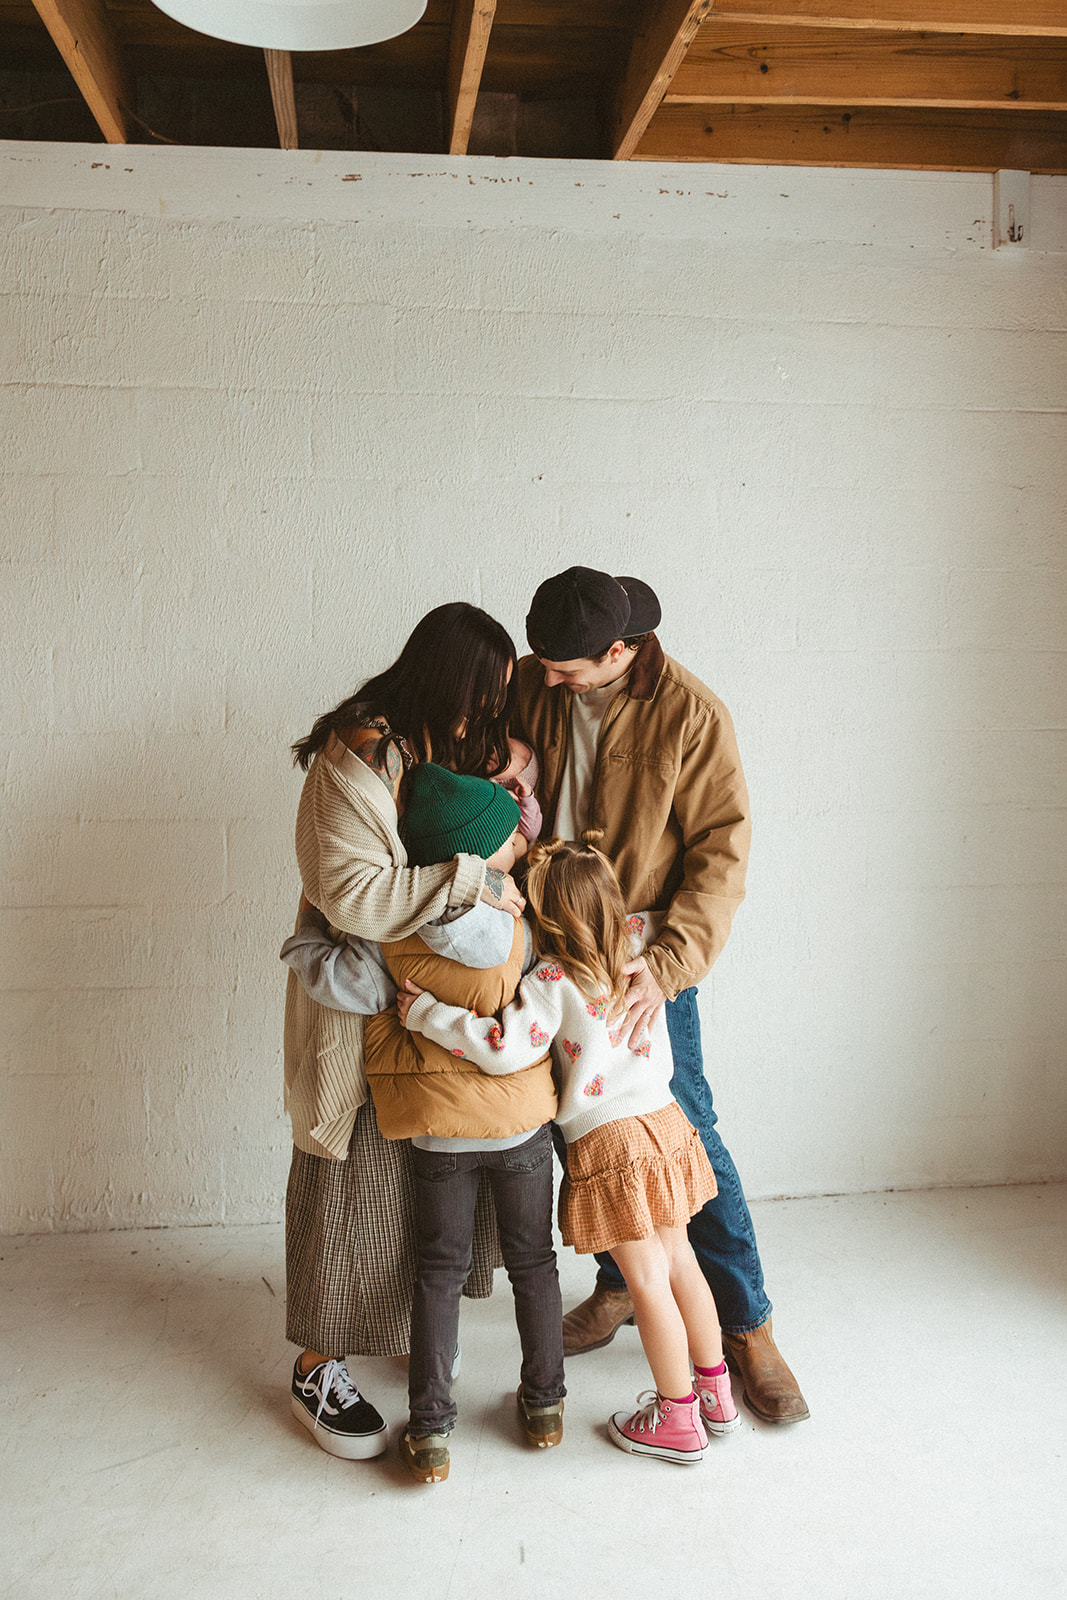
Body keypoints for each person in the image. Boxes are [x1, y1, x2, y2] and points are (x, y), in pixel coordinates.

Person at [514, 566, 809, 1425]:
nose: (549, 681)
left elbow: (722, 851)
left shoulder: (692, 712)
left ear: (617, 651)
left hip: (642, 961)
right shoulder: (542, 676)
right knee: (587, 1125)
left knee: (685, 1130)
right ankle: (619, 1283)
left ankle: (747, 1325)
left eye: (567, 669)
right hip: (551, 939)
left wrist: (670, 962)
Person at [398, 833, 740, 1465]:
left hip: (612, 1143)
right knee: (681, 1261)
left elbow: (504, 1046)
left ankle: (677, 1418)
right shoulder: (641, 950)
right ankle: (715, 1394)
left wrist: (426, 1015)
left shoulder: (554, 979)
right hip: (665, 1125)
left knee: (644, 1282)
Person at [282, 602, 526, 1462]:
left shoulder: (427, 746)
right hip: (362, 1012)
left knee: (418, 1177)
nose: (486, 715)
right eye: (481, 694)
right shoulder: (359, 754)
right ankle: (318, 1359)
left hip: (417, 1013)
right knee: (345, 1174)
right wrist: (478, 875)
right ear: (445, 678)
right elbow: (351, 892)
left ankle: (389, 1327)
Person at [360, 764, 565, 1483]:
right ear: (477, 858)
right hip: (517, 1130)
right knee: (534, 1265)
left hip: (438, 1133)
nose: (518, 848)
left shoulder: (392, 929)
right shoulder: (520, 929)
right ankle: (542, 1406)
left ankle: (431, 1432)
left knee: (437, 1273)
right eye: (506, 841)